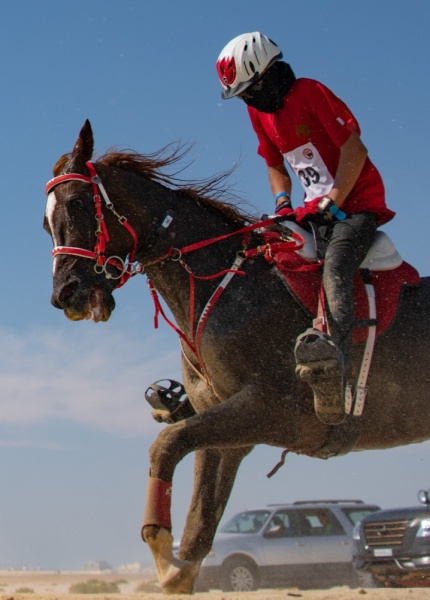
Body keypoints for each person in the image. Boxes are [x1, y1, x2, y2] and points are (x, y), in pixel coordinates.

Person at [216, 32, 395, 425]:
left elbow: (354, 149)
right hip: (313, 212)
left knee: (335, 267)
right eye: (242, 95)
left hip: (357, 206)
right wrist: (282, 202)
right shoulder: (258, 113)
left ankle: (336, 363)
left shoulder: (310, 93)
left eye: (251, 90)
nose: (248, 100)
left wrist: (334, 198)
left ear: (268, 75)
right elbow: (275, 164)